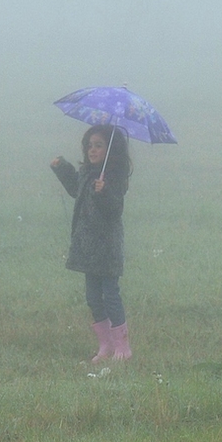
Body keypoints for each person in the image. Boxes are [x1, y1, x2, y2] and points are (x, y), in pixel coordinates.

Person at [51, 124, 133, 362]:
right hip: (88, 246)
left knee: (110, 294)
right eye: (90, 145)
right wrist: (62, 168)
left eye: (99, 145)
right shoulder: (88, 174)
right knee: (93, 297)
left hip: (106, 247)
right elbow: (76, 189)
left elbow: (114, 210)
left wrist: (104, 191)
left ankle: (123, 348)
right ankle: (105, 346)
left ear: (111, 150)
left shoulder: (114, 177)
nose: (92, 150)